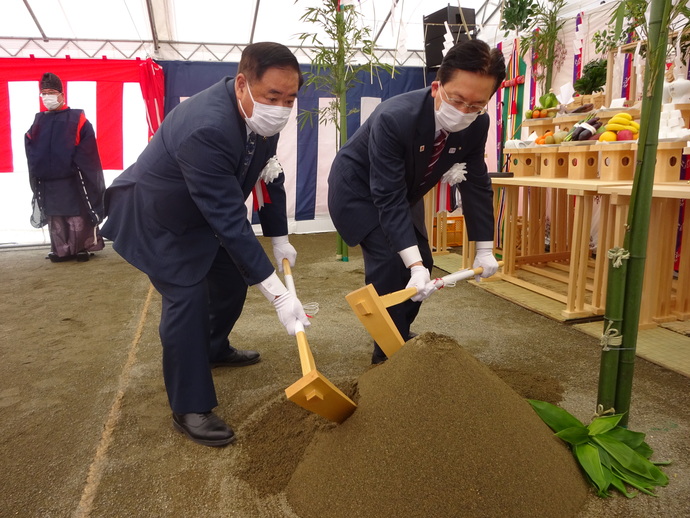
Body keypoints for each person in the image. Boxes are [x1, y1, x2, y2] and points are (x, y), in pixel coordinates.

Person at [101, 42, 310, 447]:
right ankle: (189, 407)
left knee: (232, 277)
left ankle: (214, 348)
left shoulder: (263, 119)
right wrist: (280, 296)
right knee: (188, 298)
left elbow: (268, 178)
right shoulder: (207, 126)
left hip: (203, 212)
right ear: (241, 85)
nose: (282, 107)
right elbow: (230, 219)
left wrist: (280, 238)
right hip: (158, 218)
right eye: (273, 97)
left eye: (290, 98)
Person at [328, 39, 506, 365]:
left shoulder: (477, 124)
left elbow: (475, 182)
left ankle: (397, 329)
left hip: (403, 190)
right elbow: (386, 195)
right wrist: (412, 266)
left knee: (422, 258)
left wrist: (484, 247)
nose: (464, 111)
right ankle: (387, 355)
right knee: (391, 262)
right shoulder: (396, 118)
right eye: (457, 100)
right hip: (359, 190)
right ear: (437, 86)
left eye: (476, 105)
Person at [25, 72, 106, 262]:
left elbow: (88, 151)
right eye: (44, 93)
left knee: (76, 215)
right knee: (56, 216)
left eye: (51, 92)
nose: (47, 97)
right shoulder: (38, 121)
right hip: (48, 181)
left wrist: (74, 166)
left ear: (62, 94)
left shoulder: (78, 119)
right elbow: (30, 143)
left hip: (73, 180)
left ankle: (82, 248)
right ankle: (61, 250)